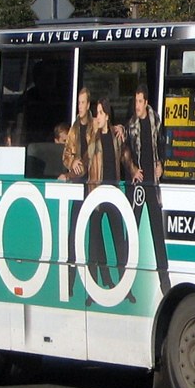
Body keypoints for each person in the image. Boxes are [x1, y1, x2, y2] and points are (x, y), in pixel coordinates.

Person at [84, 97, 134, 304]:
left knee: (119, 242)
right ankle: (93, 290)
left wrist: (133, 170)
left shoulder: (115, 136)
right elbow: (87, 157)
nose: (97, 117)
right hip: (96, 194)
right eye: (96, 114)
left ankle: (125, 287)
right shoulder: (93, 137)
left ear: (107, 115)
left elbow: (125, 156)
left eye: (100, 113)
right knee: (94, 244)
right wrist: (94, 132)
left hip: (112, 192)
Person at [125, 84, 170, 294]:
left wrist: (161, 164)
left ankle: (164, 279)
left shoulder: (156, 122)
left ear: (146, 103)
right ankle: (125, 278)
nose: (137, 106)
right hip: (138, 185)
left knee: (156, 232)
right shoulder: (131, 126)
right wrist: (134, 169)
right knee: (132, 229)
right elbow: (126, 152)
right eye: (135, 101)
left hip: (152, 184)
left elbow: (162, 147)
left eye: (140, 101)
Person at [63, 87, 92, 182]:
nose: (80, 106)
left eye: (83, 103)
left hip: (93, 177)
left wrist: (120, 128)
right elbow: (65, 155)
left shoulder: (96, 126)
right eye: (79, 103)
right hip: (78, 178)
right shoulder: (74, 130)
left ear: (88, 105)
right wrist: (72, 163)